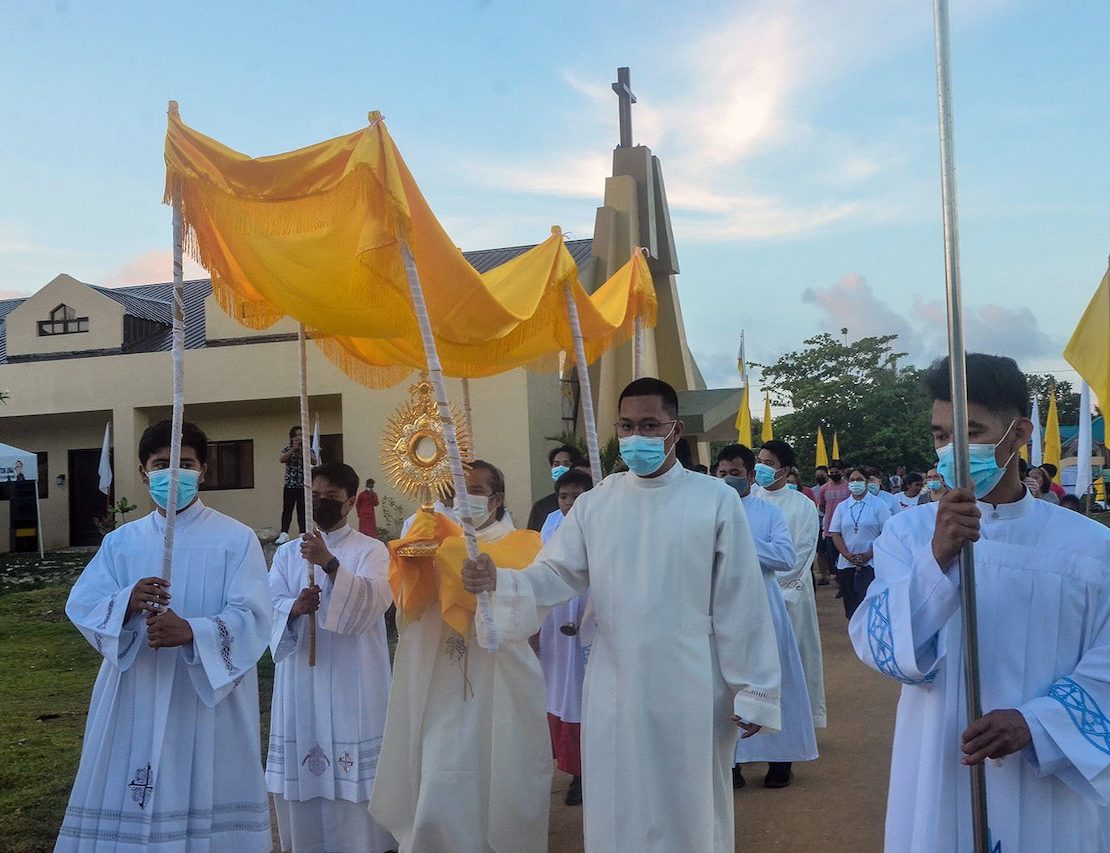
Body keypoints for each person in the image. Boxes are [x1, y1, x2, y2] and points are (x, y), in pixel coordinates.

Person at [463, 378, 781, 853]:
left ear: (674, 431)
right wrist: (501, 581)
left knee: (686, 803)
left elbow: (740, 596)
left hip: (690, 678)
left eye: (650, 425)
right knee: (618, 802)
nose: (637, 436)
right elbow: (555, 573)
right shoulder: (597, 503)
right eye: (627, 426)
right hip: (614, 681)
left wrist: (752, 685)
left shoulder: (713, 500)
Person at [850, 353, 1110, 851]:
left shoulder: (1088, 547)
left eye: (971, 433)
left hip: (1047, 773)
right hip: (942, 756)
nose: (951, 450)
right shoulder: (907, 535)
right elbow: (882, 646)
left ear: (1018, 435)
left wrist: (1039, 721)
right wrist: (938, 558)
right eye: (941, 435)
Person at [58, 420, 272, 850]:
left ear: (204, 470)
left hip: (204, 694)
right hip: (135, 688)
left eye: (185, 464)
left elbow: (253, 615)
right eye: (161, 465)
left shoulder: (236, 539)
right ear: (142, 472)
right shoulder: (121, 542)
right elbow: (82, 604)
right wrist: (126, 602)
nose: (173, 475)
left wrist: (192, 631)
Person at [371, 460, 551, 853]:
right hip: (441, 685)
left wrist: (486, 581)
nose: (462, 499)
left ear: (498, 498)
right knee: (437, 777)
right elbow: (408, 609)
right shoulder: (436, 543)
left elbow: (532, 609)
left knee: (498, 783)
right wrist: (418, 561)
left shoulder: (525, 543)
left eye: (475, 490)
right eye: (453, 491)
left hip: (501, 688)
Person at [266, 462, 395, 853]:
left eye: (331, 499)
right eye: (315, 498)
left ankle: (365, 844)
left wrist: (329, 564)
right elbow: (267, 603)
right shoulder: (289, 554)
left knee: (354, 759)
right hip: (301, 676)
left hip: (353, 674)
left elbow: (373, 603)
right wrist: (293, 606)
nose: (322, 505)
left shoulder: (371, 550)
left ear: (351, 502)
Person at [718, 443, 817, 791]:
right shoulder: (710, 510)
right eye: (723, 473)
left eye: (736, 473)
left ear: (748, 475)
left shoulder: (767, 511)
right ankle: (732, 762)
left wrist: (740, 542)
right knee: (727, 684)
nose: (729, 479)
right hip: (722, 608)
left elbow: (786, 556)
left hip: (764, 605)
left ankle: (780, 758)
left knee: (776, 679)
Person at [756, 443, 826, 734]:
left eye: (768, 463)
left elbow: (801, 555)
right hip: (752, 596)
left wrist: (779, 593)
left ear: (784, 470)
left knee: (793, 661)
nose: (760, 467)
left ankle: (798, 727)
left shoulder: (802, 505)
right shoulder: (747, 501)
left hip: (790, 597)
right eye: (759, 460)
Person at [537, 468, 594, 807]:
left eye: (576, 496)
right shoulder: (550, 524)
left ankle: (591, 773)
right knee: (564, 697)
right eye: (563, 496)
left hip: (592, 623)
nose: (569, 502)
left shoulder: (601, 523)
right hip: (558, 623)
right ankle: (575, 772)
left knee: (588, 699)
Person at [828, 468, 892, 618]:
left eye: (859, 479)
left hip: (872, 563)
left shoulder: (879, 505)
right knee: (851, 606)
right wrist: (847, 555)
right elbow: (836, 534)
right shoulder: (842, 506)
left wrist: (870, 554)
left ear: (866, 482)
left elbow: (886, 533)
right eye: (852, 480)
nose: (856, 483)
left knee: (870, 605)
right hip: (847, 563)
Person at [526, 444, 583, 531]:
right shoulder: (541, 507)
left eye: (566, 464)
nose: (568, 502)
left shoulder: (586, 501)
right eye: (556, 464)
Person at [277, 425, 318, 545]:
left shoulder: (308, 449)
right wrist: (293, 449)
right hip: (290, 484)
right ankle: (284, 533)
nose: (300, 437)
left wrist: (303, 451)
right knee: (287, 510)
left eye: (302, 435)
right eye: (298, 435)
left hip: (304, 485)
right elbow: (282, 459)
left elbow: (314, 461)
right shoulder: (287, 449)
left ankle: (302, 533)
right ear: (292, 437)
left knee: (302, 510)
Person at [817, 460, 850, 586]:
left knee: (845, 555)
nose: (834, 474)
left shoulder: (848, 487)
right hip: (830, 530)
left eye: (837, 472)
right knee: (833, 557)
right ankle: (838, 580)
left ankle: (844, 582)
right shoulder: (824, 488)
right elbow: (822, 506)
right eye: (832, 472)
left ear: (842, 472)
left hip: (846, 529)